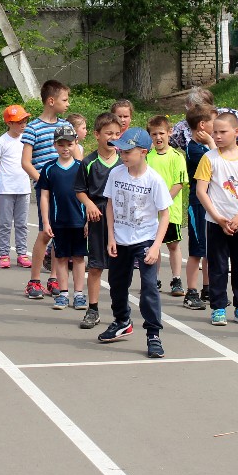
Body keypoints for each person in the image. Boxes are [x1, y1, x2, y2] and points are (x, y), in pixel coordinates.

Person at [97, 127, 172, 359]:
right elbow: (110, 205)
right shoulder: (116, 174)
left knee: (149, 287)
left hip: (145, 240)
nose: (123, 155)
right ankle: (122, 321)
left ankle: (153, 334)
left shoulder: (154, 180)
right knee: (117, 284)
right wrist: (111, 236)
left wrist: (156, 246)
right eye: (120, 151)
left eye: (128, 152)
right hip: (120, 239)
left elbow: (165, 214)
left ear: (143, 152)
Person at [194, 111, 238, 327]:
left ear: (236, 132)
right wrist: (218, 217)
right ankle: (218, 307)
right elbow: (201, 191)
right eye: (215, 132)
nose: (218, 136)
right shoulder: (209, 158)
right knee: (218, 266)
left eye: (223, 132)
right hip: (216, 223)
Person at [21, 79, 71, 299]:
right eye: (64, 100)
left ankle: (53, 278)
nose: (68, 104)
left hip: (66, 189)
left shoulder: (66, 126)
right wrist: (45, 181)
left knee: (60, 232)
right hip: (46, 190)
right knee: (45, 232)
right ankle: (34, 280)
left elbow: (73, 154)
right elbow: (26, 162)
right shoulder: (33, 128)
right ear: (51, 101)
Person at [75, 112, 121, 328]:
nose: (113, 137)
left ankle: (120, 311)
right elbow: (80, 190)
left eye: (117, 134)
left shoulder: (124, 161)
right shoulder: (88, 162)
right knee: (95, 266)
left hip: (120, 218)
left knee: (120, 267)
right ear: (97, 134)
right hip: (98, 216)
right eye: (108, 133)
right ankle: (93, 309)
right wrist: (90, 205)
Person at [38, 125, 87, 313]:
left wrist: (88, 221)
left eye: (69, 144)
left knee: (79, 257)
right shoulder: (49, 168)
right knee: (61, 257)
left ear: (76, 144)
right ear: (55, 145)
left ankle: (79, 293)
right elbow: (44, 197)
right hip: (59, 222)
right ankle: (63, 293)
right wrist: (46, 222)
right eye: (61, 145)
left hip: (79, 221)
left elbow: (88, 196)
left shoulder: (81, 167)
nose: (65, 148)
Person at [145, 115, 188, 296]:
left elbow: (179, 183)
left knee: (173, 245)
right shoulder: (147, 157)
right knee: (152, 246)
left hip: (170, 211)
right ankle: (153, 279)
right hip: (150, 213)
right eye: (154, 134)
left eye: (161, 133)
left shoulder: (177, 157)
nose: (158, 137)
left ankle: (176, 279)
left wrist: (163, 202)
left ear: (169, 133)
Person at [0, 104, 32, 269]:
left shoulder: (27, 139)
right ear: (9, 123)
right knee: (5, 223)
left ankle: (22, 253)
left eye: (25, 121)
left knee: (22, 223)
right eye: (19, 122)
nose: (23, 125)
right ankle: (4, 254)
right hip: (6, 188)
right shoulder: (2, 141)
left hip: (23, 188)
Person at [181, 106, 215, 311]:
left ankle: (208, 288)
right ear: (202, 125)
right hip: (198, 205)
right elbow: (216, 165)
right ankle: (191, 292)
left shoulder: (207, 148)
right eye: (213, 123)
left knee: (210, 249)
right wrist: (211, 142)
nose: (216, 128)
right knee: (197, 250)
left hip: (212, 205)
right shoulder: (194, 149)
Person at [169, 86, 238, 150]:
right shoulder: (183, 126)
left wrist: (236, 139)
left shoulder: (223, 114)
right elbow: (167, 142)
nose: (188, 110)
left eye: (191, 107)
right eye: (187, 107)